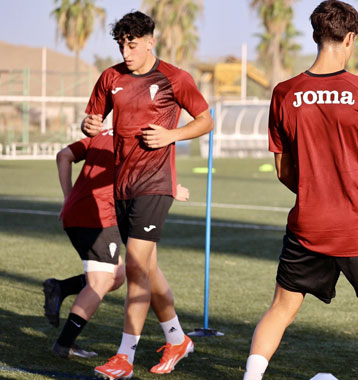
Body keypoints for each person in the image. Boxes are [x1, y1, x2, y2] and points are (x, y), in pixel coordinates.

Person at [242, 1, 358, 379]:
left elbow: (283, 171)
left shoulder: (284, 92)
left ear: (315, 36)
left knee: (280, 310)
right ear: (348, 38)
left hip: (308, 227)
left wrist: (316, 191)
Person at [80, 11, 213, 379]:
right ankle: (177, 339)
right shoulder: (110, 77)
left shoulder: (174, 78)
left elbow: (205, 119)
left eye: (132, 44)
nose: (126, 51)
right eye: (121, 44)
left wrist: (172, 136)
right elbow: (91, 120)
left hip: (156, 183)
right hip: (122, 185)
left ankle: (125, 357)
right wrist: (88, 125)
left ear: (150, 41)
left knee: (136, 263)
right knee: (147, 267)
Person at [46, 129, 190, 360]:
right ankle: (64, 344)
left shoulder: (103, 133)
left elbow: (63, 155)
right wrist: (171, 190)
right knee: (101, 280)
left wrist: (68, 196)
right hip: (99, 215)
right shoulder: (135, 139)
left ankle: (61, 288)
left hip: (78, 211)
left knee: (118, 274)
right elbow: (138, 177)